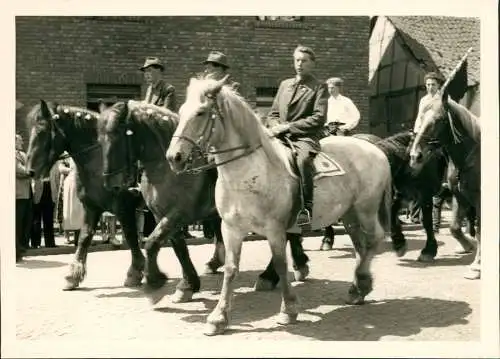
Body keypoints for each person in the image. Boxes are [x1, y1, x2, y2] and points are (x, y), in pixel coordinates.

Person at [266, 45, 328, 226]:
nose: (299, 64)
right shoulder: (285, 84)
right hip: (279, 136)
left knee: (303, 161)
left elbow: (318, 118)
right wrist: (275, 126)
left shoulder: (319, 87)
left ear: (312, 64)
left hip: (304, 137)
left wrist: (288, 127)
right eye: (297, 60)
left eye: (304, 61)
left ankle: (306, 207)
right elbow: (273, 113)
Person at [410, 71, 446, 225]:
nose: (430, 87)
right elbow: (419, 118)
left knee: (438, 172)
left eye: (433, 85)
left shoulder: (442, 99)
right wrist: (415, 134)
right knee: (416, 172)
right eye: (428, 85)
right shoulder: (423, 99)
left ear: (438, 86)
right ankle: (415, 214)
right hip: (421, 137)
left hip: (436, 138)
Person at [59, 156, 85, 246]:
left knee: (79, 211)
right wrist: (71, 170)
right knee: (68, 210)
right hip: (69, 184)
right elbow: (61, 167)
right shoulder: (66, 156)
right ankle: (67, 235)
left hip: (80, 183)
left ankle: (80, 236)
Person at [15, 134, 33, 262]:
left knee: (25, 222)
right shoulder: (12, 154)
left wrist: (30, 171)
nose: (22, 142)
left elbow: (29, 167)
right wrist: (30, 172)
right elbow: (19, 169)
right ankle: (16, 249)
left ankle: (21, 247)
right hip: (18, 194)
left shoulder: (22, 154)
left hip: (27, 193)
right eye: (19, 140)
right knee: (18, 223)